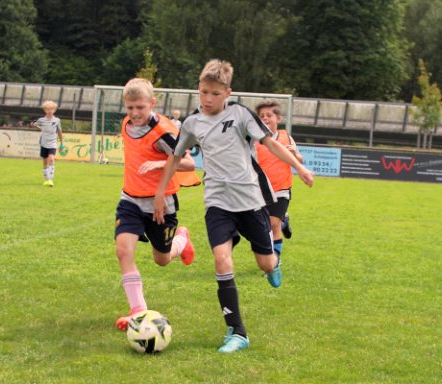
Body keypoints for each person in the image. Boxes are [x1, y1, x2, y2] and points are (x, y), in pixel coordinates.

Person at [153, 60, 314, 353]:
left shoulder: (240, 114)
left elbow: (271, 143)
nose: (208, 99)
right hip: (217, 202)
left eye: (215, 93)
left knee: (265, 262)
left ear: (228, 92)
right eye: (203, 92)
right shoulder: (191, 123)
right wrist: (160, 193)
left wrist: (298, 169)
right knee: (221, 259)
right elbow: (175, 157)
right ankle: (237, 332)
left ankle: (273, 260)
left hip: (251, 202)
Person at [114, 78, 197, 331]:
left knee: (161, 259)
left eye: (140, 107)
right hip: (130, 199)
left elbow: (188, 163)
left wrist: (161, 164)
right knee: (123, 251)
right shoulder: (127, 123)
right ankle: (138, 312)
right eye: (130, 108)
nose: (134, 113)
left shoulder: (163, 132)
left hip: (162, 204)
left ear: (152, 103)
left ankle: (181, 240)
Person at [254, 99, 304, 255]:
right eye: (261, 116)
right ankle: (284, 221)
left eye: (269, 115)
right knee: (262, 228)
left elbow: (300, 160)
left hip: (280, 189)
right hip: (259, 190)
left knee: (272, 224)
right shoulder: (253, 139)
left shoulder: (285, 137)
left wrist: (295, 154)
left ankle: (274, 262)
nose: (265, 118)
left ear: (278, 118)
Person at [30, 101, 63, 187]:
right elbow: (32, 124)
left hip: (52, 143)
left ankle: (50, 180)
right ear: (45, 110)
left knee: (51, 159)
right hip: (44, 143)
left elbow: (59, 131)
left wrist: (62, 142)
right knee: (45, 162)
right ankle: (46, 179)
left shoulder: (57, 120)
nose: (49, 111)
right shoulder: (41, 120)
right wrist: (35, 125)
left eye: (51, 109)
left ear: (54, 110)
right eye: (47, 109)